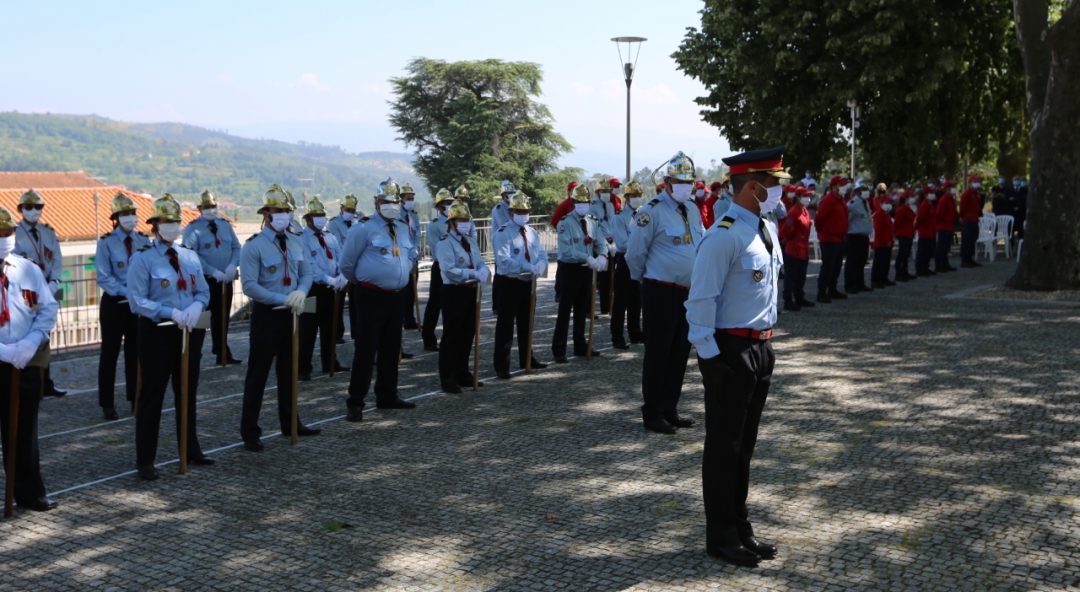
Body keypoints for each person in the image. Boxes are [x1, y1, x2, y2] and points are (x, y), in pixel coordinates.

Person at [685, 146, 788, 567]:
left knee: (744, 446)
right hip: (730, 348)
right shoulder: (723, 235)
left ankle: (740, 526)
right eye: (774, 184)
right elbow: (700, 302)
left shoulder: (765, 228)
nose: (780, 190)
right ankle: (721, 536)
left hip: (760, 347)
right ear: (752, 188)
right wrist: (711, 359)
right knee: (723, 447)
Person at [127, 194, 214, 480]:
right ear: (155, 225)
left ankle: (190, 448)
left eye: (176, 221)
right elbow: (137, 301)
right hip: (157, 333)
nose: (172, 226)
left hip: (189, 331)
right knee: (152, 395)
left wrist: (197, 305)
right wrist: (169, 312)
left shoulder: (189, 256)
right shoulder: (143, 258)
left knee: (187, 391)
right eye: (166, 221)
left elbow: (203, 290)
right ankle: (145, 460)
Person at [626, 151, 704, 435]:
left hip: (687, 293)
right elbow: (635, 253)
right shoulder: (651, 212)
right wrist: (646, 280)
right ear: (668, 182)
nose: (686, 187)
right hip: (660, 291)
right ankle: (652, 412)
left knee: (680, 352)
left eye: (689, 182)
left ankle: (670, 407)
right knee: (658, 353)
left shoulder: (692, 209)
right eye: (680, 182)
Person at [238, 184, 320, 452]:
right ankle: (250, 430)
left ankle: (291, 421)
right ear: (266, 214)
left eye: (286, 211)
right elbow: (249, 286)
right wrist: (280, 299)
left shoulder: (296, 241)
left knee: (289, 371)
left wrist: (301, 291)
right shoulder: (254, 246)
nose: (284, 215)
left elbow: (306, 273)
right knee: (258, 373)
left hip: (292, 313)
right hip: (267, 315)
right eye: (278, 211)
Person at [341, 182, 418, 422]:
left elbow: (411, 253)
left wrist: (402, 271)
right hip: (371, 295)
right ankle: (356, 401)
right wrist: (366, 281)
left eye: (394, 202)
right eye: (386, 202)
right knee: (366, 349)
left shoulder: (402, 227)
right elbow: (347, 264)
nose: (391, 206)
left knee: (391, 348)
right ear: (376, 204)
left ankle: (387, 394)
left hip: (397, 295)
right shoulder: (363, 228)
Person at [0, 205, 59, 511]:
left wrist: (31, 341)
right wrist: (3, 351)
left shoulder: (28, 269)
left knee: (25, 428)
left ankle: (29, 492)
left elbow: (47, 308)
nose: (4, 238)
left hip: (26, 359)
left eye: (7, 232)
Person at [95, 193, 149, 420]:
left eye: (133, 213)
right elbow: (103, 276)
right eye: (125, 213)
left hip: (136, 305)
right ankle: (107, 403)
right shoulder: (106, 242)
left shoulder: (143, 241)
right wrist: (125, 291)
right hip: (114, 303)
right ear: (116, 217)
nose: (130, 217)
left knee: (135, 353)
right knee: (110, 353)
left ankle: (135, 397)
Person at [13, 190, 65, 398]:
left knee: (44, 336)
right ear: (21, 209)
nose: (34, 211)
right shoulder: (14, 233)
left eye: (38, 207)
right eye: (29, 207)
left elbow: (57, 259)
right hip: (24, 294)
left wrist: (54, 282)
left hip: (47, 291)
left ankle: (46, 383)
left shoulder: (48, 232)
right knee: (24, 335)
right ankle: (23, 381)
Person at [433, 201, 490, 393]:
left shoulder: (470, 241)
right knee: (452, 335)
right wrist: (473, 273)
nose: (465, 224)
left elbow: (479, 261)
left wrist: (483, 269)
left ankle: (462, 372)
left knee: (467, 334)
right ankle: (448, 377)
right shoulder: (444, 243)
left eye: (467, 220)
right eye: (461, 220)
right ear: (451, 222)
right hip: (454, 292)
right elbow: (449, 270)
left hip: (471, 291)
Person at [182, 190, 242, 365]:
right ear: (200, 209)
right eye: (207, 207)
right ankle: (194, 354)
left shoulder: (225, 225)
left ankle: (222, 351)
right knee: (201, 319)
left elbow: (236, 247)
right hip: (204, 281)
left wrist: (233, 265)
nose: (210, 209)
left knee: (222, 317)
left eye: (213, 206)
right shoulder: (192, 229)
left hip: (225, 279)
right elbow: (189, 254)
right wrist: (212, 271)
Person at [492, 192, 548, 378]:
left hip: (528, 283)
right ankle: (502, 366)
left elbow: (541, 253)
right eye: (519, 211)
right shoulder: (503, 233)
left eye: (526, 211)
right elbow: (503, 260)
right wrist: (526, 266)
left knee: (527, 323)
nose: (523, 215)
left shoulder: (532, 232)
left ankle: (527, 358)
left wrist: (541, 264)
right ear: (511, 212)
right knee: (505, 326)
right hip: (509, 283)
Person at [551, 183, 608, 363]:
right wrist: (587, 257)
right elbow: (567, 250)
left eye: (586, 202)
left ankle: (580, 345)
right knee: (565, 310)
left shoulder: (592, 221)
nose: (584, 205)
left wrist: (603, 255)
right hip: (570, 269)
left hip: (586, 270)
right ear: (574, 203)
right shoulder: (565, 223)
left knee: (582, 309)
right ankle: (559, 348)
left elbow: (600, 241)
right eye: (580, 202)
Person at [298, 195, 349, 381]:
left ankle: (330, 362)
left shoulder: (330, 237)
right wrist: (328, 278)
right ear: (308, 219)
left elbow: (340, 257)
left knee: (330, 328)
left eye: (322, 215)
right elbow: (308, 265)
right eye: (316, 216)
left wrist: (341, 275)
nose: (321, 219)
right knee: (308, 330)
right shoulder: (301, 239)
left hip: (330, 289)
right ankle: (303, 367)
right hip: (311, 289)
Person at [610, 180, 644, 348]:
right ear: (627, 197)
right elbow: (622, 243)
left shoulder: (643, 215)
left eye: (638, 195)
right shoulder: (620, 217)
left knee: (636, 300)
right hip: (624, 259)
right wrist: (640, 243)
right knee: (621, 301)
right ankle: (617, 337)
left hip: (639, 260)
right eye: (633, 195)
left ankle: (635, 333)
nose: (636, 198)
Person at [421, 187, 456, 351]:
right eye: (446, 203)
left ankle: (450, 338)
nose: (449, 205)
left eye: (451, 202)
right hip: (440, 266)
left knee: (452, 304)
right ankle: (428, 338)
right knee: (434, 304)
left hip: (457, 267)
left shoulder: (458, 221)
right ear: (440, 207)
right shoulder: (434, 225)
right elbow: (437, 248)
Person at [327, 194, 361, 342]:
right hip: (340, 268)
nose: (350, 212)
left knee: (356, 304)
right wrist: (342, 269)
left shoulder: (357, 223)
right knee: (338, 304)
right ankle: (337, 334)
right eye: (348, 209)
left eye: (352, 210)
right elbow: (337, 247)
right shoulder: (334, 224)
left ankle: (357, 333)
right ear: (341, 208)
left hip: (355, 270)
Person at [815, 176, 850, 302]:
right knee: (828, 267)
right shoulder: (828, 200)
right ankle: (822, 292)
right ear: (834, 187)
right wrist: (823, 233)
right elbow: (819, 219)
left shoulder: (840, 200)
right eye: (842, 185)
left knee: (836, 266)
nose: (845, 188)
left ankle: (832, 289)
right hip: (829, 239)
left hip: (839, 238)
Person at [778, 187, 813, 311]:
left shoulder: (804, 210)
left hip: (803, 249)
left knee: (801, 276)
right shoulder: (793, 212)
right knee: (791, 276)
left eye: (808, 196)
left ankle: (799, 297)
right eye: (805, 196)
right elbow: (786, 231)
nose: (807, 199)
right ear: (798, 197)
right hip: (794, 249)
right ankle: (788, 300)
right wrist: (789, 239)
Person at [592, 178, 619, 315]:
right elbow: (594, 228)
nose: (607, 193)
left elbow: (613, 225)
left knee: (608, 278)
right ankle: (593, 308)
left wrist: (614, 241)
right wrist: (605, 243)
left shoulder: (610, 205)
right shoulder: (592, 206)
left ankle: (607, 307)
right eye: (604, 191)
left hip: (612, 243)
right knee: (599, 278)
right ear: (598, 192)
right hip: (599, 246)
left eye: (608, 191)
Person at [489, 180, 516, 316]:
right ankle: (496, 305)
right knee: (500, 275)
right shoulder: (499, 208)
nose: (510, 195)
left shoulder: (514, 206)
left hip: (513, 244)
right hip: (502, 244)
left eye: (512, 193)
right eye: (508, 193)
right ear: (503, 195)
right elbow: (505, 224)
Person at [399, 183, 422, 331]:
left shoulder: (414, 214)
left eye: (412, 198)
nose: (411, 201)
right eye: (408, 198)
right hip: (402, 257)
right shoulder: (396, 214)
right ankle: (400, 318)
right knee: (402, 290)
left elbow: (417, 233)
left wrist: (416, 249)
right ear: (401, 199)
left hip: (413, 257)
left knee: (412, 291)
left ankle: (410, 319)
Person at [845, 185, 873, 293]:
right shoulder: (853, 203)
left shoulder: (865, 202)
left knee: (862, 261)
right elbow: (847, 218)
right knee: (852, 262)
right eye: (864, 190)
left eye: (867, 190)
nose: (867, 192)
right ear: (858, 192)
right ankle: (850, 285)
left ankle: (860, 283)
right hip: (854, 236)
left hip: (864, 236)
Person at [870, 194, 896, 288]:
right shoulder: (879, 214)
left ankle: (884, 278)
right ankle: (876, 280)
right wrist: (886, 241)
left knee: (885, 262)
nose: (889, 204)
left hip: (887, 242)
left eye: (890, 203)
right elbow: (879, 230)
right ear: (881, 203)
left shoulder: (886, 214)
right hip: (881, 243)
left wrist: (891, 240)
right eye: (887, 202)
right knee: (879, 262)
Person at [959, 176, 984, 267]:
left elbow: (979, 206)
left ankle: (970, 258)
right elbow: (962, 208)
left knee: (973, 239)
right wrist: (962, 217)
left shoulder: (976, 194)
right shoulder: (967, 194)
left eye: (978, 182)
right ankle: (964, 260)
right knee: (967, 240)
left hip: (974, 219)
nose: (977, 184)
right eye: (974, 182)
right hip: (968, 219)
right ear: (970, 183)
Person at [934, 180, 958, 272]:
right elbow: (939, 214)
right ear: (947, 189)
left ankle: (945, 263)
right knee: (941, 247)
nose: (954, 189)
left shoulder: (951, 199)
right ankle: (939, 265)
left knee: (946, 247)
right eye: (952, 187)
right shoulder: (944, 199)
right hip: (943, 226)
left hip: (949, 226)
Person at [893, 190, 917, 281]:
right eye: (911, 197)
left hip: (908, 233)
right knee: (902, 254)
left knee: (906, 254)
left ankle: (904, 272)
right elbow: (897, 223)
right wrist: (894, 233)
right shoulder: (902, 209)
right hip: (903, 234)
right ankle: (899, 273)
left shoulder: (908, 208)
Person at [915, 187, 938, 276]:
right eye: (931, 193)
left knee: (928, 251)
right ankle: (920, 269)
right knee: (923, 251)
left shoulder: (930, 204)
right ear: (926, 195)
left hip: (931, 231)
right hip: (925, 231)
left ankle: (925, 267)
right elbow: (920, 218)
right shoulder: (924, 204)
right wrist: (916, 227)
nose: (933, 195)